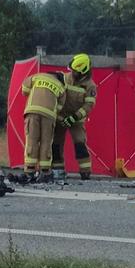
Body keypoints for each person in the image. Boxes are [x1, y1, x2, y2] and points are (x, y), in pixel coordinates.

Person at [51, 53, 97, 181]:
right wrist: (60, 117)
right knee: (56, 143)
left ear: (83, 72)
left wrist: (74, 118)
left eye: (75, 71)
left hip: (76, 120)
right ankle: (57, 170)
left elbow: (88, 106)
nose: (72, 73)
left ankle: (85, 171)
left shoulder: (90, 86)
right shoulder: (65, 78)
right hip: (61, 117)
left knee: (80, 143)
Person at [21, 71, 66, 182]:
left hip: (32, 111)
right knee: (46, 142)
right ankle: (45, 171)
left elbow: (24, 90)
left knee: (32, 140)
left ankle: (30, 170)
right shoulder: (61, 87)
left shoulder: (36, 77)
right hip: (49, 115)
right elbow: (59, 107)